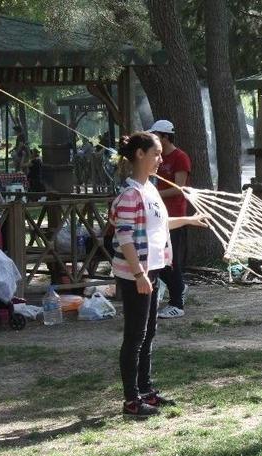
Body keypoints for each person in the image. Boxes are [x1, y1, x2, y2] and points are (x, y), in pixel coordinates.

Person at [110, 131, 207, 418]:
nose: (160, 160)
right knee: (135, 335)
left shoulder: (150, 190)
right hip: (136, 274)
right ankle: (131, 400)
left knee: (148, 332)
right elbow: (124, 237)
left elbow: (160, 224)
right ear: (140, 154)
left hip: (151, 270)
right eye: (156, 154)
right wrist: (139, 274)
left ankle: (146, 390)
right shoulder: (129, 195)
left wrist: (189, 219)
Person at [148, 120, 192, 319]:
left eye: (156, 135)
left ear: (165, 137)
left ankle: (177, 304)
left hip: (174, 215)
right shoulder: (157, 157)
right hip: (157, 215)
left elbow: (179, 188)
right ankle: (179, 287)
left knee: (169, 260)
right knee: (158, 258)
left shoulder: (180, 157)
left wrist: (154, 194)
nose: (153, 138)